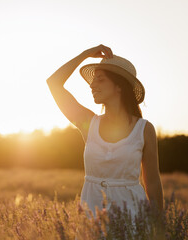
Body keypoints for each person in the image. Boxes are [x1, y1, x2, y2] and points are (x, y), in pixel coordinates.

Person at [46, 44, 164, 222]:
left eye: (100, 79)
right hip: (91, 219)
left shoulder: (144, 129)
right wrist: (85, 54)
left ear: (119, 86)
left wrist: (158, 229)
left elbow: (153, 183)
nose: (92, 85)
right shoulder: (89, 123)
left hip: (132, 219)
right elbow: (54, 83)